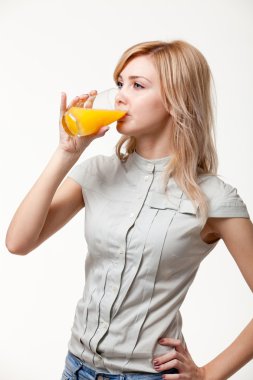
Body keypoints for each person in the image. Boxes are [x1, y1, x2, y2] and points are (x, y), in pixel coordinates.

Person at [5, 40, 253, 380]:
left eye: (137, 85)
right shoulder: (97, 173)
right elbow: (18, 242)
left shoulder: (213, 198)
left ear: (176, 99)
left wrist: (209, 375)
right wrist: (67, 152)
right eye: (120, 83)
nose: (120, 95)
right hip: (76, 368)